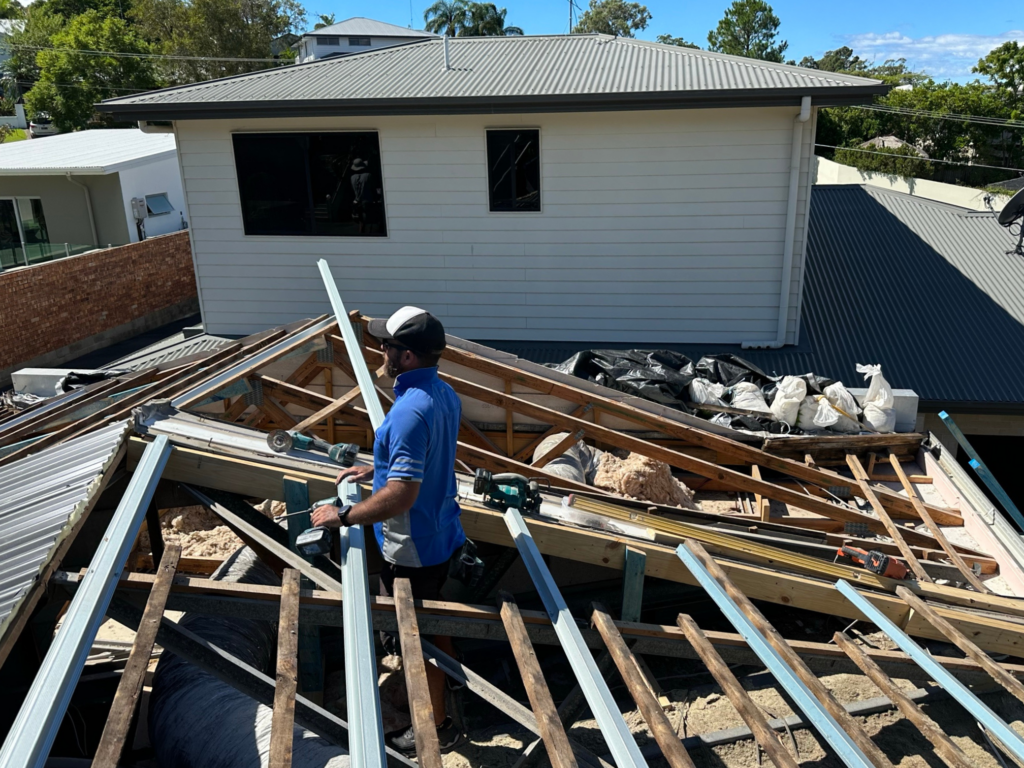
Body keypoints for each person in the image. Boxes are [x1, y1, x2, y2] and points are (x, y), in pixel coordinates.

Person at [311, 306, 464, 755]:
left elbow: (401, 496)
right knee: (435, 628)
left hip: (413, 548)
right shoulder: (442, 393)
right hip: (441, 533)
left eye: (388, 345)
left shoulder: (408, 413)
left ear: (409, 357)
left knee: (417, 643)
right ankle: (447, 700)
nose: (380, 350)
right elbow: (418, 466)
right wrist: (375, 469)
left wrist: (343, 517)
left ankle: (433, 727)